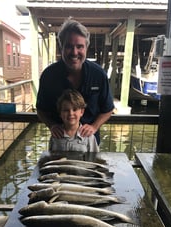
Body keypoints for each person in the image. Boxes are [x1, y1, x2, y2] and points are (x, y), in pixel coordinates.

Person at [36, 17, 114, 145]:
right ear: (61, 47)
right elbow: (41, 109)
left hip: (89, 143)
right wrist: (52, 125)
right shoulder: (48, 76)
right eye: (69, 46)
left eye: (79, 46)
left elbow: (108, 109)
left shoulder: (98, 74)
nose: (74, 52)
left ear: (86, 48)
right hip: (60, 143)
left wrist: (94, 126)